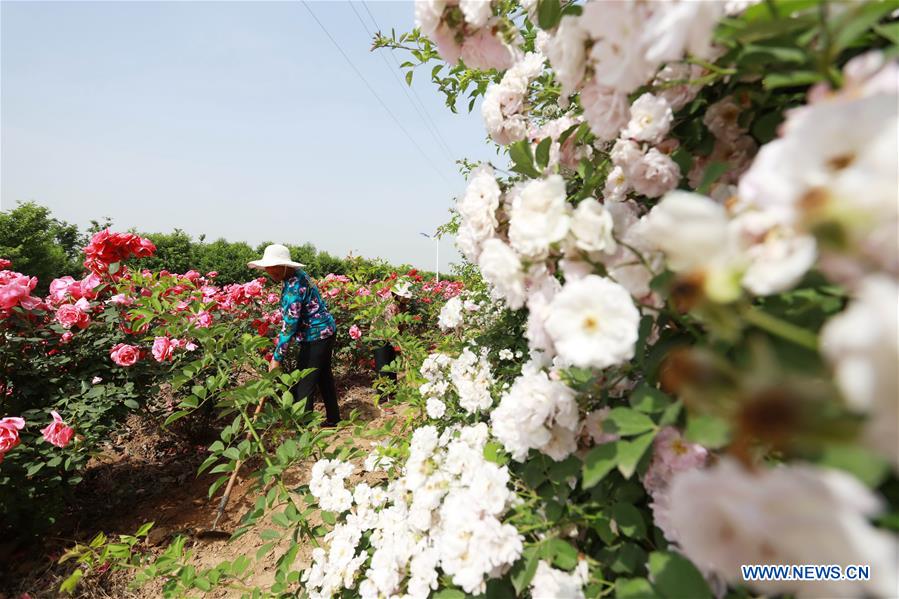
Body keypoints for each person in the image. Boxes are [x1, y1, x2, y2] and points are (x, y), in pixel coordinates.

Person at [248, 244, 340, 427]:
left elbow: (290, 325)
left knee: (304, 383)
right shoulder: (296, 275)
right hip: (325, 331)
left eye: (273, 267)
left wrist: (276, 357)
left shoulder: (293, 287)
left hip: (316, 336)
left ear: (283, 266)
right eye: (267, 267)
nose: (268, 271)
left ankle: (303, 431)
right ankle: (333, 419)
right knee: (323, 376)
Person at [374, 280, 414, 384]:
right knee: (383, 366)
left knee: (392, 366)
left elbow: (401, 324)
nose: (407, 299)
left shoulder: (401, 303)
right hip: (380, 337)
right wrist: (400, 346)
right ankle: (382, 395)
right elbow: (392, 327)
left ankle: (392, 392)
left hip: (392, 337)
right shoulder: (389, 304)